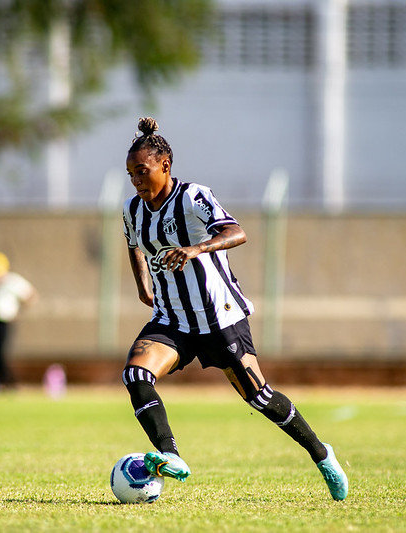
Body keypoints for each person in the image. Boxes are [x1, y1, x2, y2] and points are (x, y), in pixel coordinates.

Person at [120, 117, 348, 501]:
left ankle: (322, 455)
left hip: (219, 317)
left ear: (165, 165)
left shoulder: (193, 198)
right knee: (135, 374)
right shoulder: (133, 210)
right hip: (172, 319)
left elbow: (235, 232)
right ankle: (170, 455)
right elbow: (132, 244)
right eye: (130, 175)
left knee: (259, 397)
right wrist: (143, 284)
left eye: (142, 171)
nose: (137, 181)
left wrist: (195, 249)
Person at [0, 251, 37, 388]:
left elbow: (31, 295)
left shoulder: (13, 281)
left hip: (4, 321)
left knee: (0, 352)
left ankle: (8, 382)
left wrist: (18, 310)